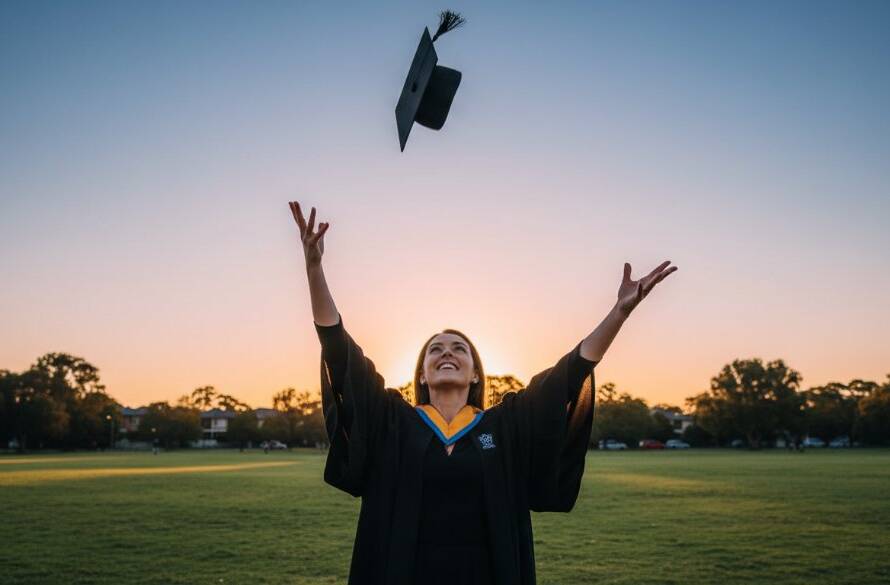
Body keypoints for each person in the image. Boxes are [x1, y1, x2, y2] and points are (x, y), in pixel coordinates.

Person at [288, 201, 677, 585]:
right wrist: (314, 269)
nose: (447, 353)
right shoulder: (392, 418)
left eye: (459, 349)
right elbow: (340, 353)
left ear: (475, 374)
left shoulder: (505, 424)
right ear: (421, 374)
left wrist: (619, 313)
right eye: (435, 349)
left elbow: (569, 375)